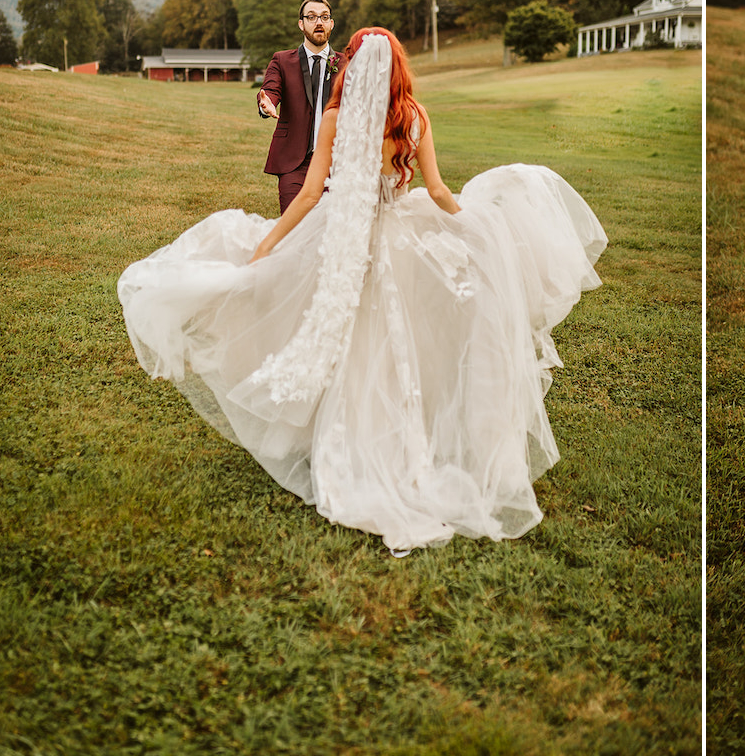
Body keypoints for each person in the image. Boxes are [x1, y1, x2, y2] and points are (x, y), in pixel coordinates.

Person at [119, 28, 607, 554]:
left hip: (342, 230)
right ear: (398, 68)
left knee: (335, 322)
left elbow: (308, 195)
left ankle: (335, 434)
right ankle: (400, 438)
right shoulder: (414, 118)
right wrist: (475, 226)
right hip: (401, 234)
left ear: (352, 66)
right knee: (403, 338)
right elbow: (438, 190)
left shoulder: (336, 118)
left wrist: (268, 242)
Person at [258, 0, 340, 214]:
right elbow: (271, 90)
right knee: (293, 228)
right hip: (295, 163)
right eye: (311, 17)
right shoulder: (282, 60)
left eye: (324, 17)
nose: (319, 22)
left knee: (330, 229)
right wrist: (266, 103)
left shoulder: (347, 63)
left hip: (337, 163)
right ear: (301, 24)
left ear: (332, 23)